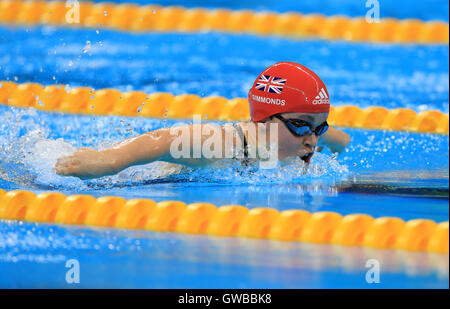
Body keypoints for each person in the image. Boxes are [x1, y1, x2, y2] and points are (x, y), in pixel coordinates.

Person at [54, 61, 350, 180]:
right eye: (301, 126)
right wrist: (110, 160)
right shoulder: (225, 145)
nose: (312, 139)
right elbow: (164, 140)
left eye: (319, 127)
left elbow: (340, 139)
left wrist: (331, 139)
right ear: (263, 120)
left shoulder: (298, 140)